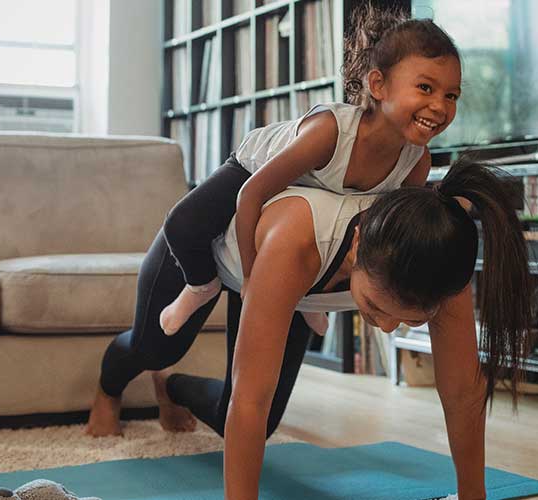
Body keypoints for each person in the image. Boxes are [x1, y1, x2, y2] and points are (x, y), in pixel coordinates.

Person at [87, 158, 533, 500]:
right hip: (200, 257)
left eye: (412, 319)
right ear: (357, 246)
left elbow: (462, 393)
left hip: (285, 289)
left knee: (248, 425)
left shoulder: (439, 258)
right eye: (377, 307)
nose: (392, 328)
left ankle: (172, 388)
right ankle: (110, 387)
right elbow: (251, 396)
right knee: (155, 348)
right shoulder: (301, 241)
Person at [158, 4, 462, 337]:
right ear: (378, 85)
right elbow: (251, 194)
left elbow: (381, 234)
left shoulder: (416, 162)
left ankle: (306, 305)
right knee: (181, 225)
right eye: (425, 88)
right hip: (250, 169)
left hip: (318, 197)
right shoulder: (330, 132)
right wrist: (250, 278)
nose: (440, 106)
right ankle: (200, 286)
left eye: (451, 95)